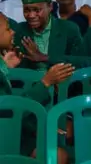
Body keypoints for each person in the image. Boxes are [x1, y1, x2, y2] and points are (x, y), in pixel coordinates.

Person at [0, 12, 73, 163]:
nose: (12, 31)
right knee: (58, 157)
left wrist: (5, 67)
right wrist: (46, 82)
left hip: (11, 129)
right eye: (7, 29)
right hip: (6, 135)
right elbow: (11, 110)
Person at [15, 0, 83, 70]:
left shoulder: (69, 29)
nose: (31, 15)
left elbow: (82, 62)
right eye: (26, 10)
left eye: (37, 10)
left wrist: (45, 58)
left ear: (50, 6)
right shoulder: (18, 31)